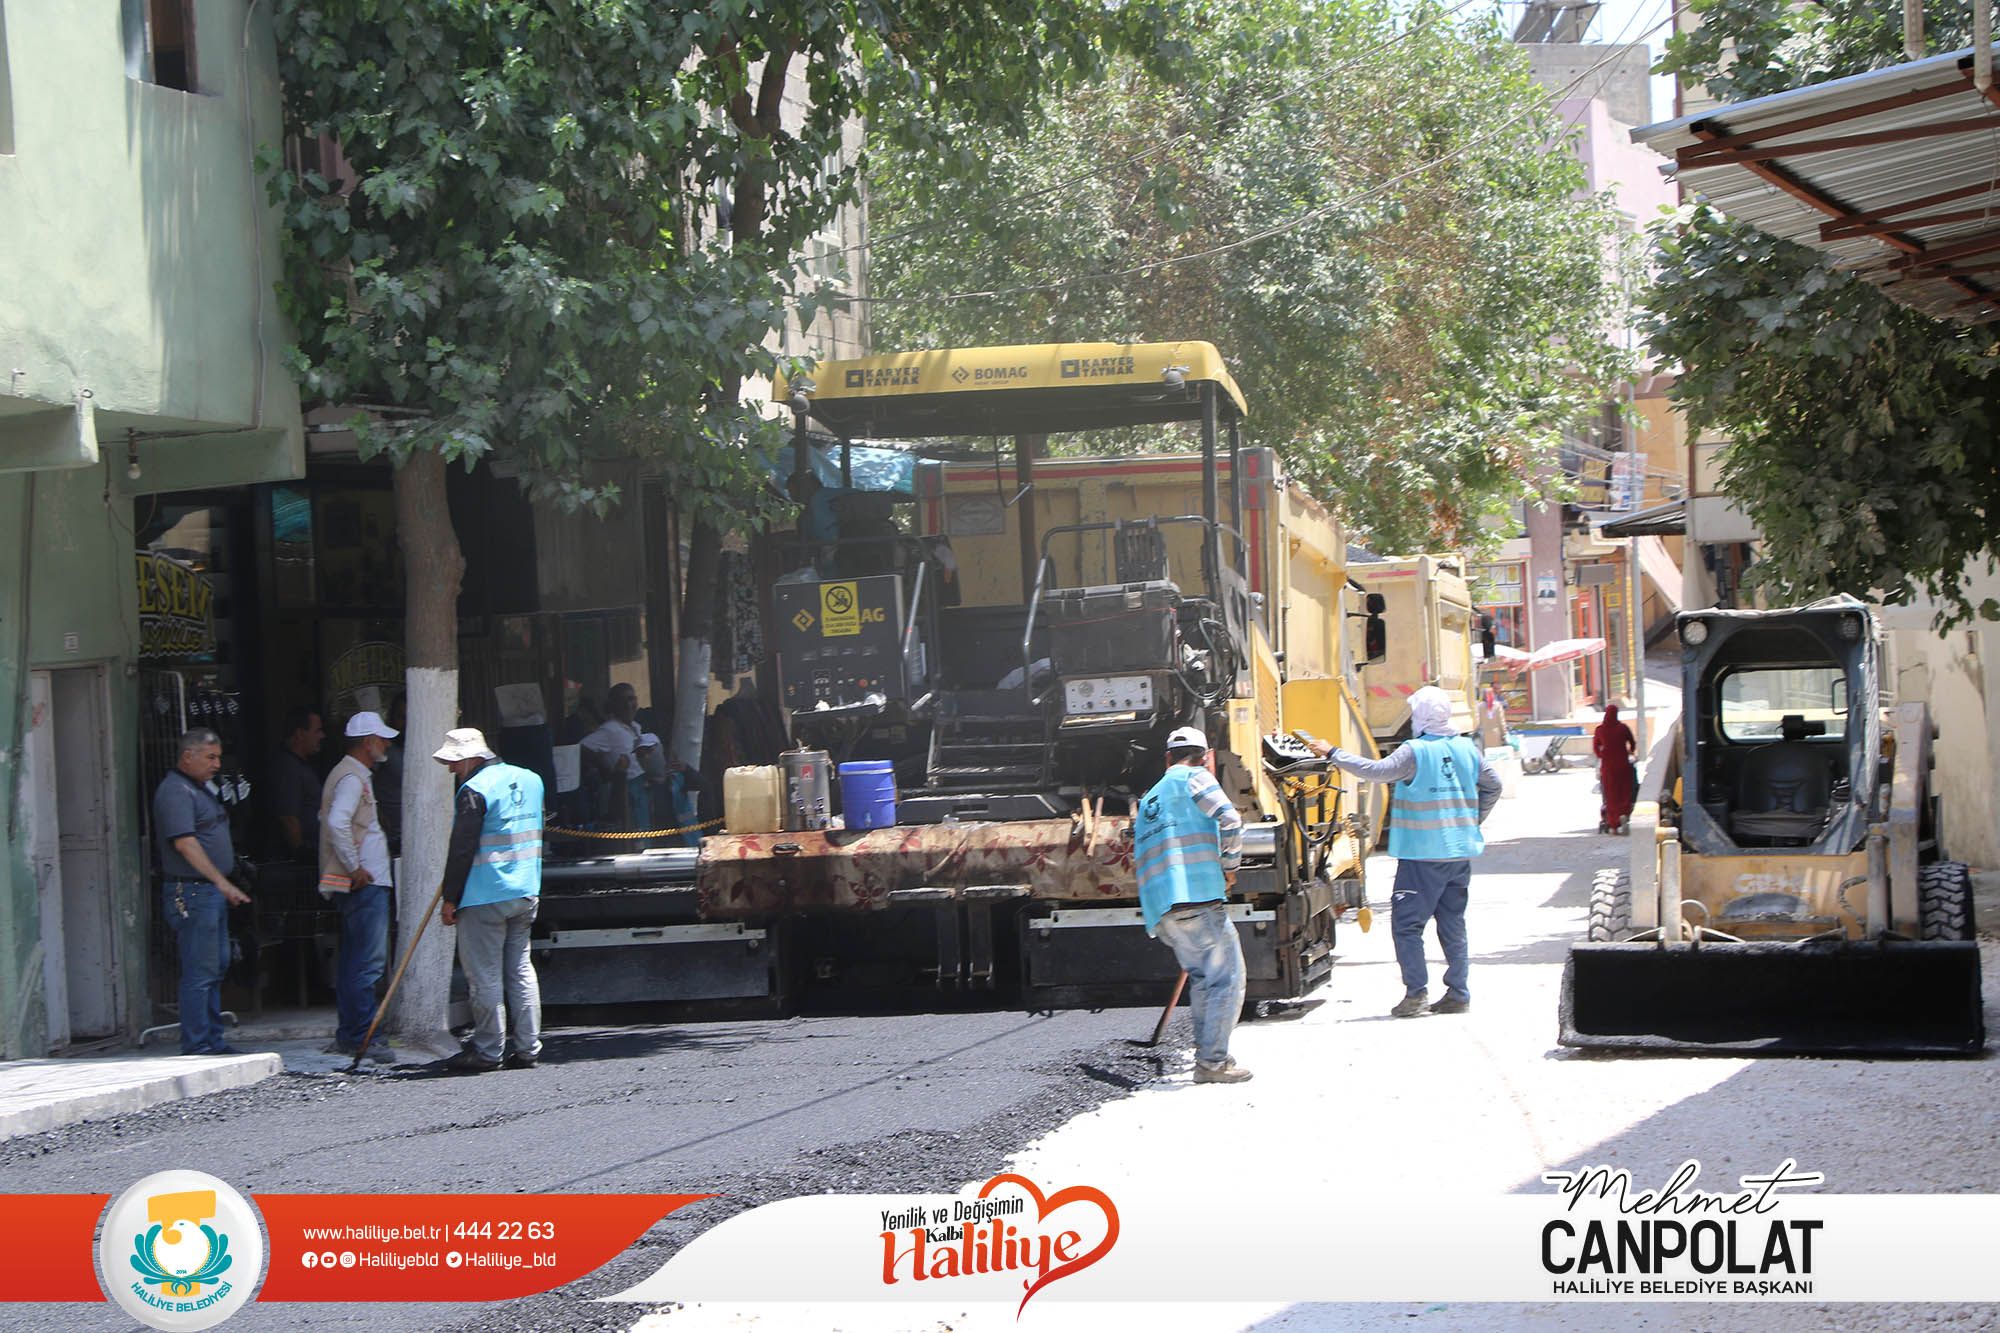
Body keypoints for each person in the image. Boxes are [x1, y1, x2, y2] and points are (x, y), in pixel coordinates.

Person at [1309, 685, 1500, 1018]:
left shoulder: (1415, 752)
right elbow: (1493, 785)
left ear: (1423, 716)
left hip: (1422, 857)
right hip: (1458, 855)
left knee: (1407, 926)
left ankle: (1417, 994)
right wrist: (1471, 821)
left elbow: (1377, 771)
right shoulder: (1467, 749)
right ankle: (1458, 992)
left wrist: (1332, 753)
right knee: (1452, 923)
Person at [1134, 725, 1251, 1084]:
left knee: (1203, 978)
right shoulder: (1196, 778)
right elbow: (1230, 818)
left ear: (1167, 757)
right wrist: (1229, 866)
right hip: (1197, 896)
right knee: (1227, 979)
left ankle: (1207, 1056)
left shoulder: (1151, 797)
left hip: (1162, 908)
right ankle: (1213, 1063)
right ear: (1207, 758)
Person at [435, 728, 544, 1073]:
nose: (452, 770)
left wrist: (449, 898)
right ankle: (528, 1048)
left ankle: (488, 1050)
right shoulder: (531, 779)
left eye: (454, 762)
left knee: (484, 975)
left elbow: (462, 847)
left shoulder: (474, 789)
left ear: (470, 757)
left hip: (485, 894)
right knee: (520, 970)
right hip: (525, 890)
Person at [153, 728, 252, 1055]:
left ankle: (212, 1038)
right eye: (210, 757)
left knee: (215, 965)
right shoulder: (176, 791)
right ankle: (198, 1045)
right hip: (193, 892)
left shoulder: (199, 789)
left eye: (219, 757)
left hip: (208, 892)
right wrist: (221, 882)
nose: (216, 764)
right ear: (187, 756)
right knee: (200, 969)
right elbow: (185, 843)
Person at [318, 711, 399, 1063]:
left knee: (354, 963)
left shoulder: (351, 773)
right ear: (368, 742)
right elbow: (336, 822)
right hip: (366, 884)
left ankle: (350, 1035)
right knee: (368, 965)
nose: (387, 744)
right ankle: (369, 1038)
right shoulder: (352, 778)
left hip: (362, 884)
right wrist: (356, 868)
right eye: (382, 739)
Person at [581, 682, 648, 830]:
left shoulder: (636, 726)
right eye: (623, 700)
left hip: (643, 788)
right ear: (614, 705)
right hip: (625, 790)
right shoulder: (609, 730)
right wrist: (604, 766)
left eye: (632, 699)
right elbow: (581, 748)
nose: (628, 704)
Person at [270, 706, 324, 859]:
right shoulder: (288, 767)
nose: (322, 735)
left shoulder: (302, 765)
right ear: (300, 734)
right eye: (317, 731)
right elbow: (288, 817)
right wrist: (301, 855)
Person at [1593, 702, 1638, 835]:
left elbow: (1596, 748)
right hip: (1623, 765)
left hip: (1608, 767)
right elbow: (1632, 743)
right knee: (1624, 791)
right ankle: (1624, 814)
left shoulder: (1600, 730)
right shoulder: (1623, 728)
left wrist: (1603, 755)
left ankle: (1613, 823)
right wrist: (1630, 751)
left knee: (1611, 794)